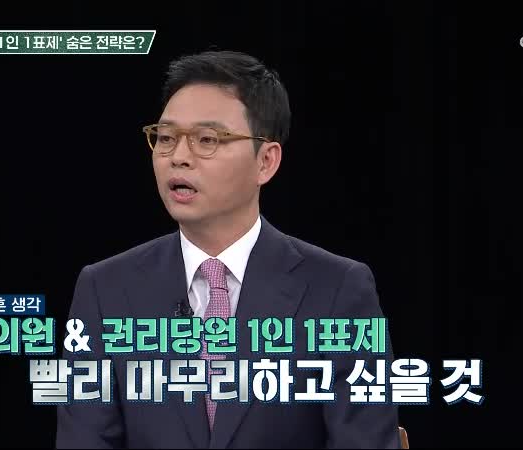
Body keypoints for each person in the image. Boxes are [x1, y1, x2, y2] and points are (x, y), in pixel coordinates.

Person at [56, 50, 401, 449]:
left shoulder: (338, 290)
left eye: (207, 140)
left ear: (266, 161)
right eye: (165, 138)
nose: (178, 157)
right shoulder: (105, 290)